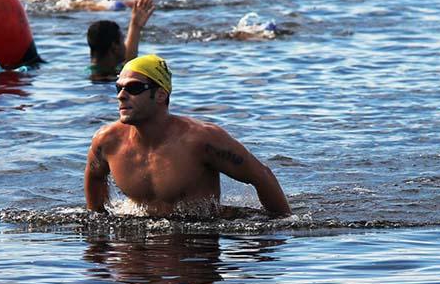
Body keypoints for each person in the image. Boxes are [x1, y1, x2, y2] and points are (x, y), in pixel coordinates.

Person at [84, 54, 292, 218]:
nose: (121, 95)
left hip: (196, 252)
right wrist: (99, 246)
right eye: (118, 88)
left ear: (160, 95)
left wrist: (277, 233)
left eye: (134, 88)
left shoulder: (201, 140)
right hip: (136, 258)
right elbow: (95, 179)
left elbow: (262, 177)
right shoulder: (107, 141)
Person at [86, 0, 154, 81]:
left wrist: (135, 26)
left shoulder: (100, 72)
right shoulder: (107, 78)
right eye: (122, 41)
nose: (125, 46)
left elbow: (129, 62)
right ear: (115, 46)